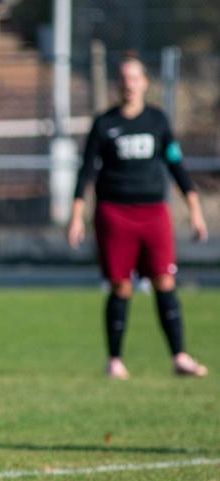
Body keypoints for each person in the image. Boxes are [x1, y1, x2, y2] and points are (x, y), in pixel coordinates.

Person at [68, 53, 208, 379]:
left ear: (144, 82)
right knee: (120, 286)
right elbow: (86, 172)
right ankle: (115, 360)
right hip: (114, 213)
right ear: (117, 84)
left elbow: (176, 166)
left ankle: (180, 356)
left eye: (134, 78)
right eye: (123, 79)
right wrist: (76, 216)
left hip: (153, 213)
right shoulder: (104, 124)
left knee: (164, 280)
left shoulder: (157, 121)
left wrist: (195, 211)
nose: (128, 85)